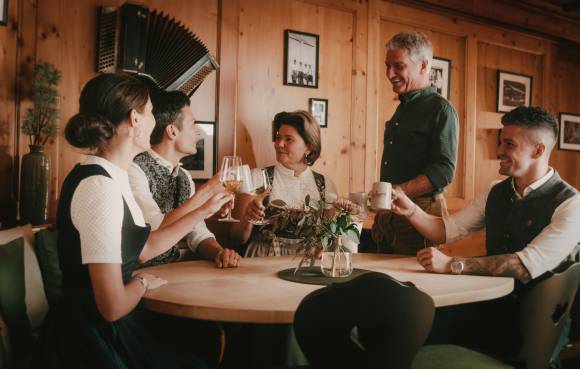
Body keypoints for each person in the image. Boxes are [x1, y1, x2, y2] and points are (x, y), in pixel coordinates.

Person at [33, 73, 233, 369]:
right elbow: (111, 307)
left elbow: (143, 248)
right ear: (134, 119)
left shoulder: (114, 175)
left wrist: (202, 212)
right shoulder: (99, 187)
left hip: (113, 323)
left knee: (204, 338)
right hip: (92, 335)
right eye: (151, 112)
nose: (154, 121)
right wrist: (141, 281)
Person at [391, 106, 580, 358]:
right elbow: (446, 231)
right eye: (501, 142)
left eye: (509, 144)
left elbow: (525, 265)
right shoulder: (494, 191)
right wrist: (411, 210)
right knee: (407, 324)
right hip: (490, 309)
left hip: (536, 329)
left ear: (539, 150)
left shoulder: (572, 204)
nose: (499, 150)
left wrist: (453, 264)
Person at [128, 90, 241, 269]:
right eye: (193, 124)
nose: (198, 131)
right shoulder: (134, 169)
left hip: (174, 273)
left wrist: (219, 252)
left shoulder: (184, 176)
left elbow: (196, 232)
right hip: (140, 275)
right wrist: (207, 191)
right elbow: (155, 230)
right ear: (172, 131)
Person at [371, 31, 458, 255]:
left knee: (413, 287)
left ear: (423, 66)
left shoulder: (441, 109)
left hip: (422, 214)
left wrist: (398, 191)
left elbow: (444, 171)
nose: (389, 74)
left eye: (398, 66)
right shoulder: (402, 108)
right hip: (390, 215)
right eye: (387, 66)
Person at [230, 110, 338, 257]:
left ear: (309, 147)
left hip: (307, 262)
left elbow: (329, 235)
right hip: (264, 259)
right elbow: (237, 238)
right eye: (278, 137)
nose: (279, 144)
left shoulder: (325, 184)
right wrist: (248, 216)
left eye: (289, 139)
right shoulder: (256, 177)